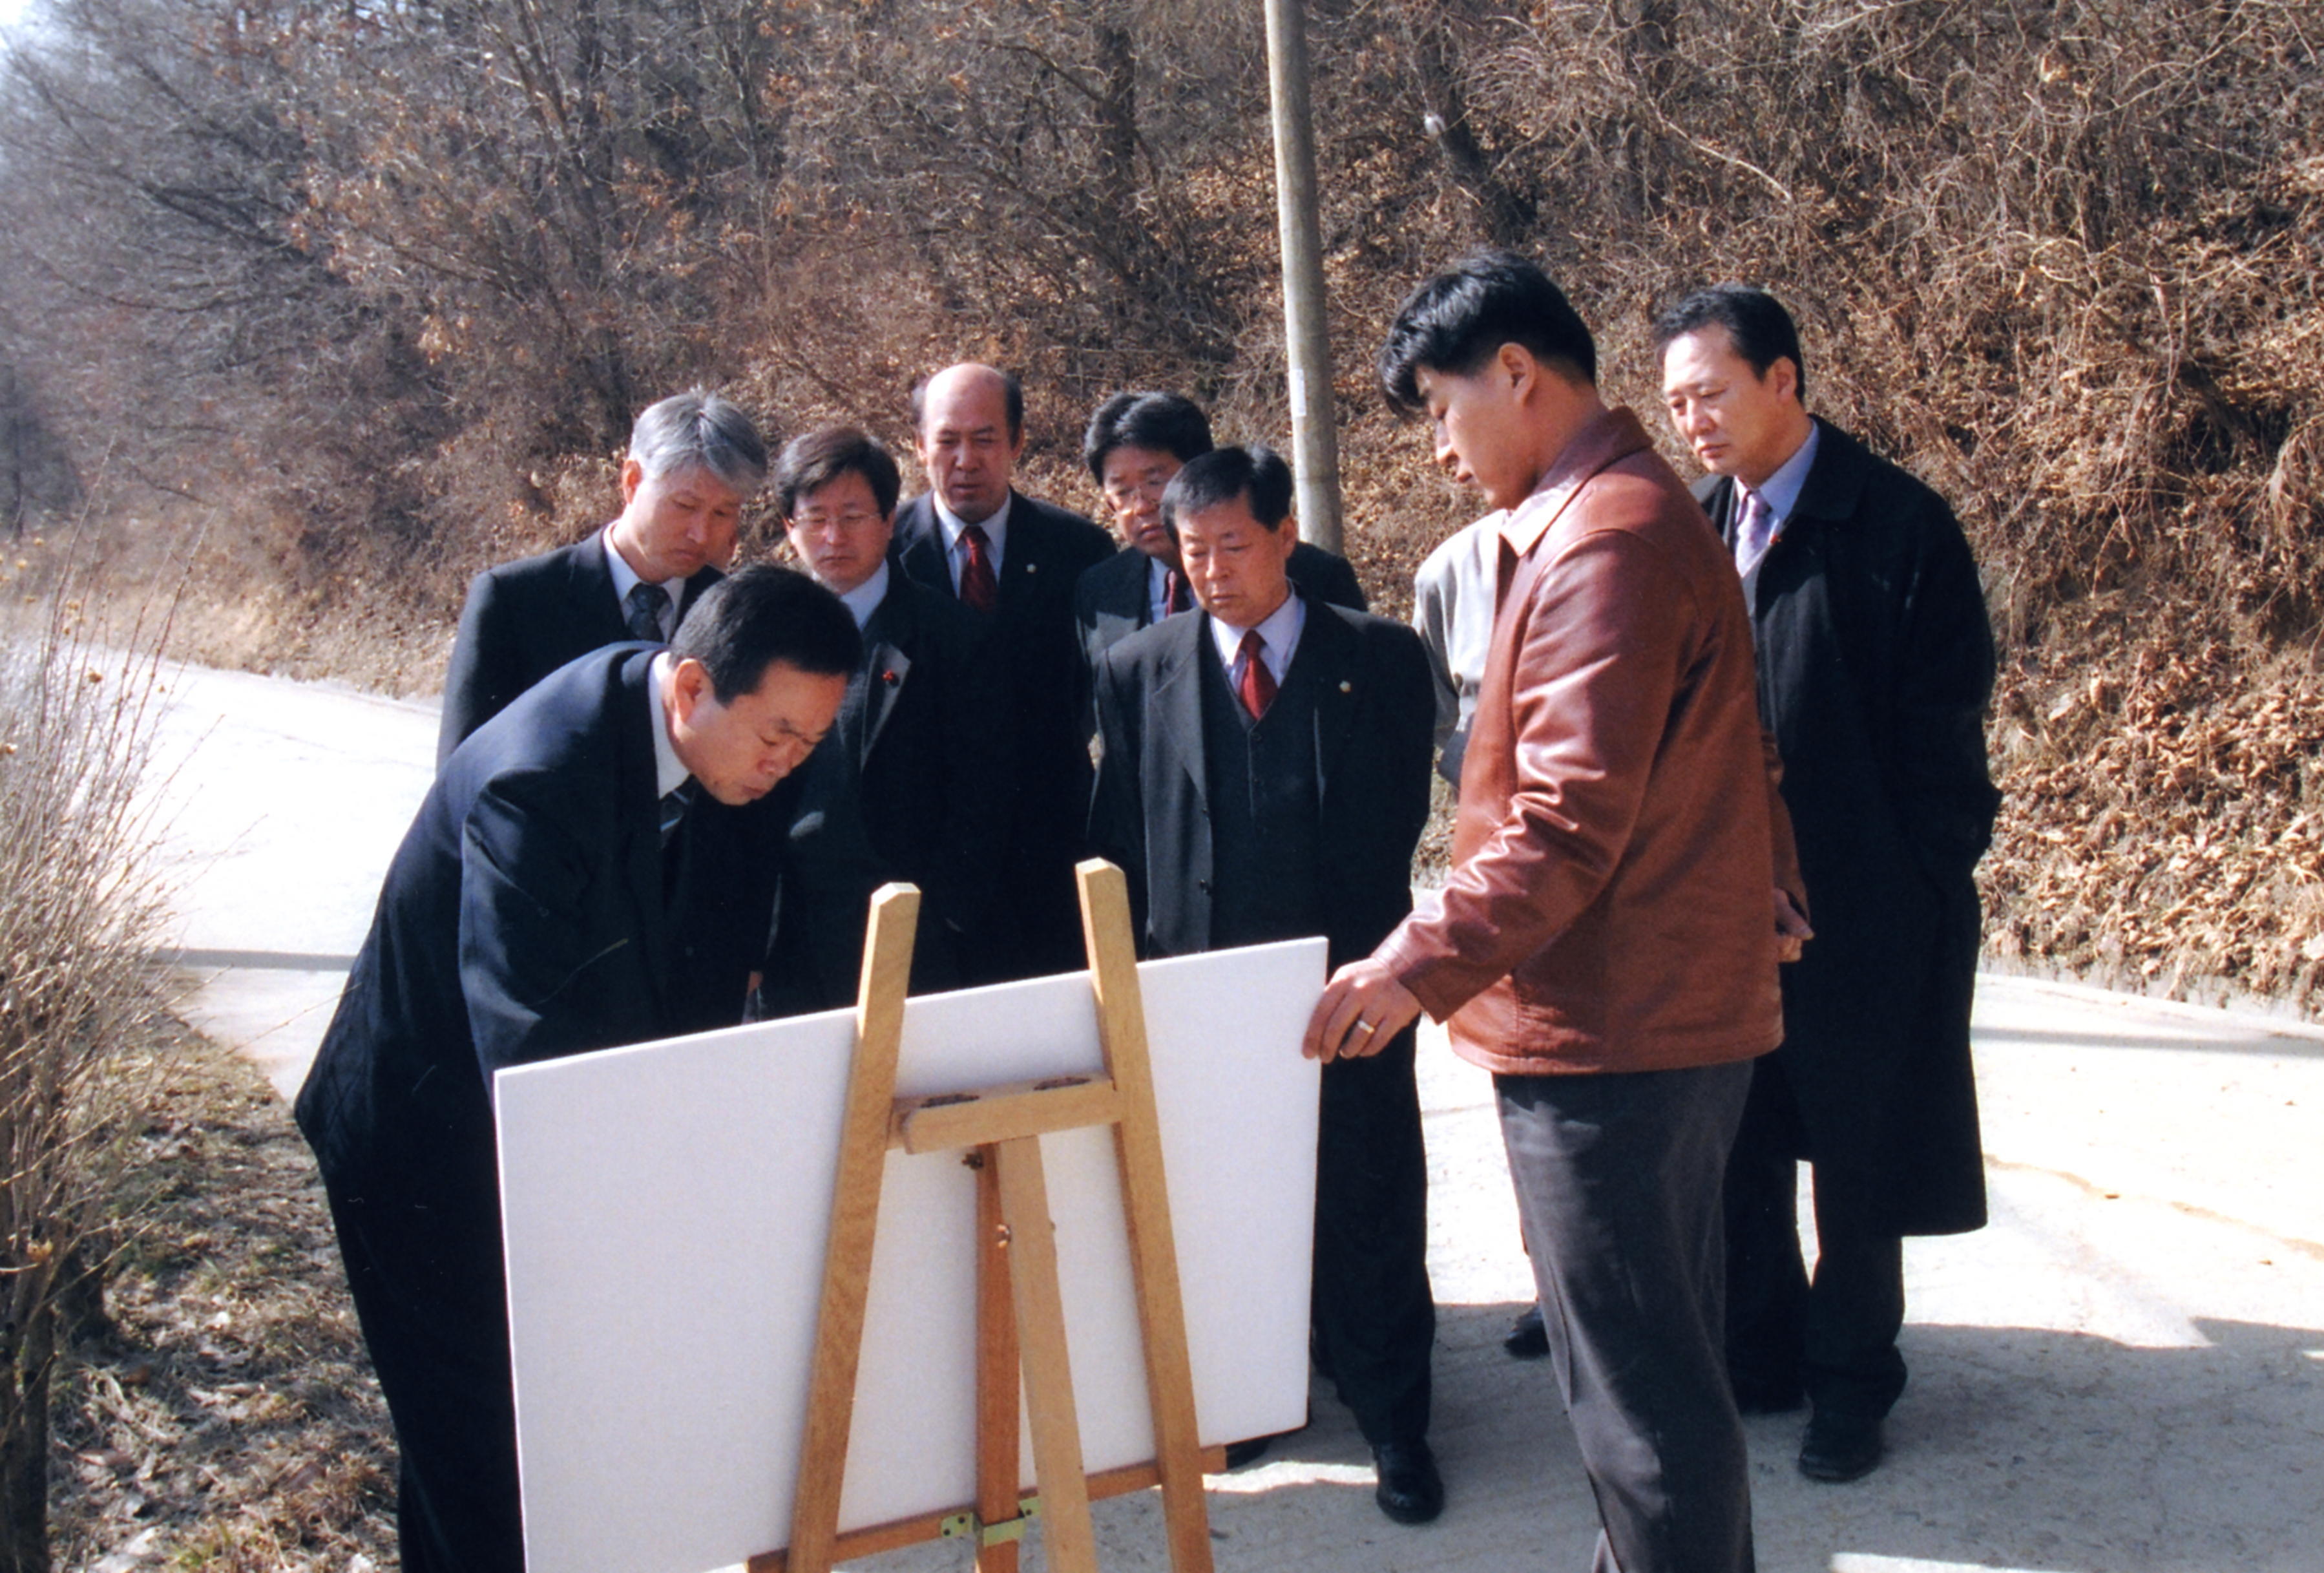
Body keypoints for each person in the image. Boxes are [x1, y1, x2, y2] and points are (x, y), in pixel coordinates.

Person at [1306, 251, 1799, 1573]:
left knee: (1639, 1405)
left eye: (1438, 407)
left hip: (1613, 1039)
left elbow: (1565, 821)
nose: (1439, 449)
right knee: (1653, 1385)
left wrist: (1414, 959)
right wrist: (1769, 885)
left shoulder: (1605, 538)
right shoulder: (1628, 512)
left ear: (1515, 374)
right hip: (1649, 1016)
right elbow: (1728, 747)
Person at [297, 567, 859, 1572]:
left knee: (564, 1453)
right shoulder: (539, 780)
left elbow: (717, 963)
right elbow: (534, 1049)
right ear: (690, 688)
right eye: (776, 734)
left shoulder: (732, 754)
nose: (788, 761)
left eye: (809, 740)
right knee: (485, 1454)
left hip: (562, 1127)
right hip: (430, 1143)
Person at [1657, 284, 2000, 1483]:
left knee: (1857, 1157)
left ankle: (1853, 1383)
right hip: (1722, 906)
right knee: (1737, 1143)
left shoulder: (1896, 523)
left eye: (1711, 393)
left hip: (1862, 909)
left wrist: (1896, 881)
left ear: (1783, 379)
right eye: (1676, 403)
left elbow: (1943, 735)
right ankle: (1763, 1351)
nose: (1693, 421)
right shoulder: (1692, 525)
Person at [1089, 445, 1442, 1526]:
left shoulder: (1378, 657)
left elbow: (1400, 820)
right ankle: (1246, 1395)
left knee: (1367, 1190)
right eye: (1190, 550)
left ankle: (1395, 1416)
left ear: (1287, 535)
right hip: (1203, 986)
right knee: (1223, 1202)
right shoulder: (1140, 665)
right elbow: (1118, 838)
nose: (1210, 569)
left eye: (1232, 545)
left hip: (1348, 977)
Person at [765, 425, 1015, 1008]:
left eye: (853, 516)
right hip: (791, 942)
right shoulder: (759, 636)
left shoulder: (951, 635)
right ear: (788, 529)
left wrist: (947, 916)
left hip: (916, 939)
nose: (833, 537)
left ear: (889, 520)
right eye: (814, 519)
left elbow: (985, 790)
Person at [888, 363, 1115, 977]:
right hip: (922, 857)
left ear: (1016, 443)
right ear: (917, 445)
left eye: (985, 439)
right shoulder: (880, 551)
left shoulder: (1080, 550)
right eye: (947, 440)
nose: (966, 459)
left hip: (1051, 843)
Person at [436, 388, 766, 764]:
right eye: (685, 506)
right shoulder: (516, 601)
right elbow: (461, 777)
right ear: (631, 481)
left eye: (723, 514)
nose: (701, 534)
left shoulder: (735, 615)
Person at [1073, 390, 1366, 686]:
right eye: (1122, 492)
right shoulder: (1101, 592)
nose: (1141, 507)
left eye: (1155, 482)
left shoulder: (1315, 575)